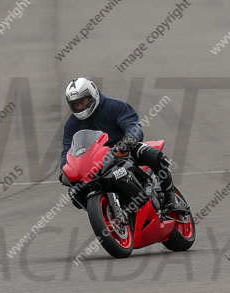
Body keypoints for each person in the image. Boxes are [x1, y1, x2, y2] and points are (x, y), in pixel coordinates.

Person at [59, 77, 186, 215]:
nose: (79, 107)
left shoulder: (115, 106)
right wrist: (64, 169)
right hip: (94, 162)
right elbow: (67, 149)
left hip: (123, 150)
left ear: (92, 96)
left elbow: (132, 125)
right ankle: (105, 213)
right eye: (75, 105)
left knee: (153, 155)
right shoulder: (71, 124)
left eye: (82, 102)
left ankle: (170, 197)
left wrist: (129, 139)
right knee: (75, 191)